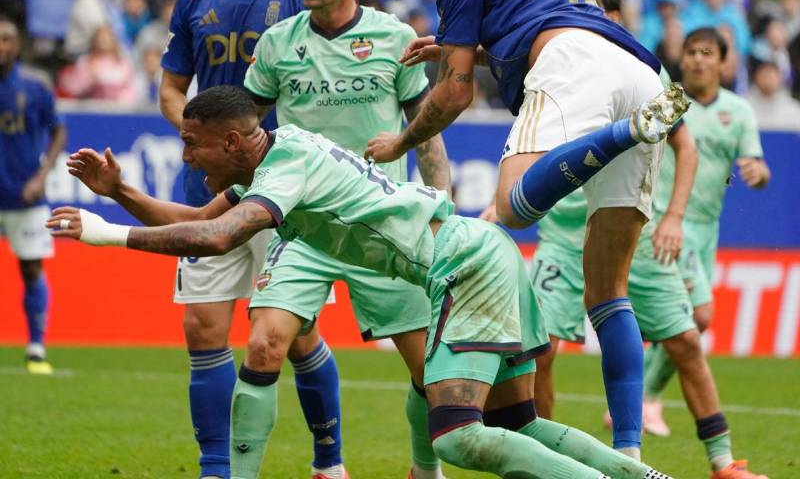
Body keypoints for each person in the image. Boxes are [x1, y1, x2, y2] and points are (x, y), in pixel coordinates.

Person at [50, 85, 676, 479]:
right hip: (484, 254)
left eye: (192, 145)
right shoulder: (278, 155)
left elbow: (217, 239)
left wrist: (104, 235)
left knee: (457, 437)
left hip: (464, 267)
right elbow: (195, 220)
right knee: (518, 425)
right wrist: (120, 193)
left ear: (234, 140)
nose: (186, 157)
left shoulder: (286, 166)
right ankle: (639, 476)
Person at [363, 0, 688, 459]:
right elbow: (532, 25)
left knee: (512, 207)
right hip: (638, 72)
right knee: (609, 293)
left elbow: (454, 94)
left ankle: (624, 133)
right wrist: (466, 48)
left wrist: (401, 142)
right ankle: (630, 458)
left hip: (573, 64)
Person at [531, 0, 769, 479]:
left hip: (629, 231)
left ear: (615, 17)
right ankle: (545, 465)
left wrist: (673, 218)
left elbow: (684, 145)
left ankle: (723, 462)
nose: (578, 22)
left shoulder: (644, 69)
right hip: (565, 232)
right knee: (541, 351)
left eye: (592, 12)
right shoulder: (554, 63)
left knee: (686, 340)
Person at [242, 0, 450, 479]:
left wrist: (442, 211)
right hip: (304, 229)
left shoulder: (394, 37)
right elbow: (244, 133)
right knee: (263, 345)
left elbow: (426, 135)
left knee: (431, 375)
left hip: (383, 228)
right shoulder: (277, 44)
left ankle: (424, 470)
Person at [157, 0, 342, 477]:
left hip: (284, 193)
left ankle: (328, 459)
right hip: (210, 190)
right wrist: (202, 141)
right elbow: (171, 88)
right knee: (202, 327)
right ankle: (216, 469)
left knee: (291, 334)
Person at [641, 27, 770, 449]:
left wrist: (757, 173)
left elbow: (757, 166)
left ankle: (641, 399)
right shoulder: (669, 100)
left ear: (722, 62)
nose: (698, 59)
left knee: (686, 320)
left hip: (705, 229)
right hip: (665, 221)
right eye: (691, 52)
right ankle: (646, 398)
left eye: (707, 52)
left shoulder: (739, 110)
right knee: (698, 316)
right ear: (682, 59)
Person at [0, 17, 66, 374]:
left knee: (30, 268)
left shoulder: (35, 85)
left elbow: (58, 132)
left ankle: (36, 346)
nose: (1, 45)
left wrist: (42, 175)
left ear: (17, 44)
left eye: (6, 39)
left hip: (24, 194)